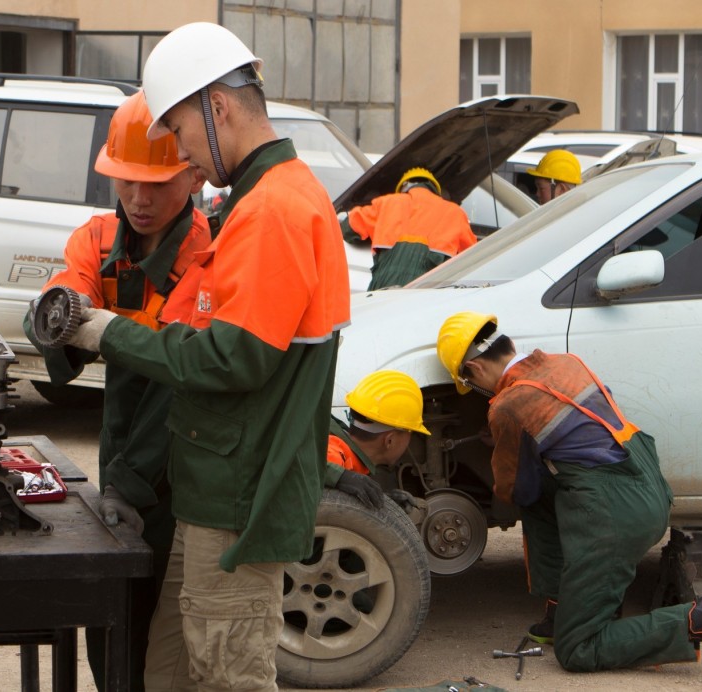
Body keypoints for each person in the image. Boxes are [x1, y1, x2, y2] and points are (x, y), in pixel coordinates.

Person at [65, 21, 350, 691]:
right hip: (215, 492)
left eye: (184, 135)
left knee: (227, 674)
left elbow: (233, 360)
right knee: (171, 671)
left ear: (217, 108)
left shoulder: (273, 209)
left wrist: (107, 332)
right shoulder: (268, 197)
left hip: (238, 500)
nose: (186, 157)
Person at [435, 312, 702, 680]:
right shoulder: (566, 363)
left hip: (613, 514)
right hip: (646, 485)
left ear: (474, 368)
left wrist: (507, 441)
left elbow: (514, 490)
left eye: (468, 381)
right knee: (542, 493)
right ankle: (563, 609)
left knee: (577, 649)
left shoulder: (507, 406)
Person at [24, 89, 210, 692]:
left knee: (169, 632)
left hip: (186, 464)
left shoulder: (205, 255)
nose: (138, 198)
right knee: (113, 630)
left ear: (194, 175)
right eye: (126, 181)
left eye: (156, 183)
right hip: (126, 456)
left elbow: (176, 381)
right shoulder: (98, 241)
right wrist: (53, 316)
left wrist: (129, 486)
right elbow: (61, 307)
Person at [341, 167, 476, 291]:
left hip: (384, 287)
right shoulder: (455, 214)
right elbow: (475, 257)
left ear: (404, 186)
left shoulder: (386, 204)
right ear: (435, 189)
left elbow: (348, 229)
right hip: (429, 294)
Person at [325, 370, 430, 511]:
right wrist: (339, 477)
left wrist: (383, 502)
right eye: (410, 432)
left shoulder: (351, 462)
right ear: (389, 441)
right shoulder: (335, 456)